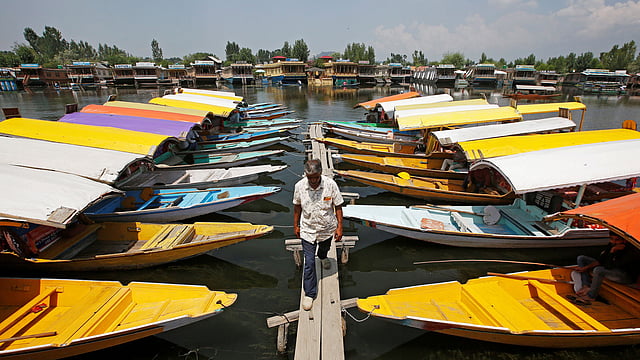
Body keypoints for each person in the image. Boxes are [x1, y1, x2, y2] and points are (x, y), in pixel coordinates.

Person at [293, 159, 344, 311]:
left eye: (316, 177)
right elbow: (296, 207)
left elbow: (338, 205)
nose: (313, 181)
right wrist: (295, 225)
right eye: (310, 178)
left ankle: (322, 257)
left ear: (321, 173)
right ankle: (310, 293)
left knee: (324, 249)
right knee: (309, 262)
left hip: (326, 228)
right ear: (306, 175)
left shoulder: (330, 185)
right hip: (307, 229)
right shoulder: (299, 186)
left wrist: (340, 227)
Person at [571, 233, 640, 304]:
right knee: (581, 258)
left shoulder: (630, 252)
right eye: (612, 239)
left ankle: (591, 296)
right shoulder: (612, 245)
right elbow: (601, 260)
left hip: (625, 276)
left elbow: (608, 266)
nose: (614, 242)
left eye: (617, 240)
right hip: (611, 267)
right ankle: (585, 286)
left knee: (598, 270)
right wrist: (586, 267)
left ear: (624, 241)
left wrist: (612, 251)